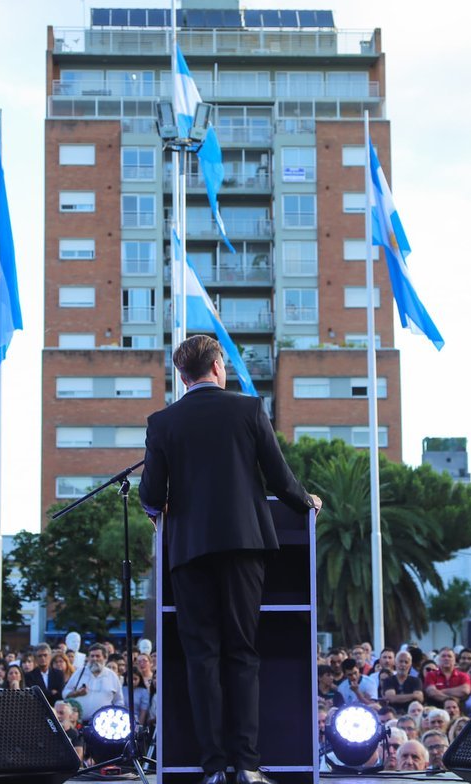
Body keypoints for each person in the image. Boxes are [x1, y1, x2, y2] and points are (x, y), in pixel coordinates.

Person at [140, 335, 321, 784]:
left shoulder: (162, 421)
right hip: (244, 547)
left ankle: (213, 768)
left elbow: (149, 495)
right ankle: (248, 766)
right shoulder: (248, 409)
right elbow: (280, 480)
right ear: (218, 367)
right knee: (242, 653)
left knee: (202, 657)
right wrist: (307, 503)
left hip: (188, 551)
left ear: (182, 378)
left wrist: (157, 510)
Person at [62, 643, 124, 720]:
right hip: (79, 723)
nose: (94, 659)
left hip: (104, 724)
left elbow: (119, 701)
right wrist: (77, 693)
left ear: (105, 658)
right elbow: (64, 694)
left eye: (98, 656)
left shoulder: (112, 676)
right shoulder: (79, 672)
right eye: (92, 656)